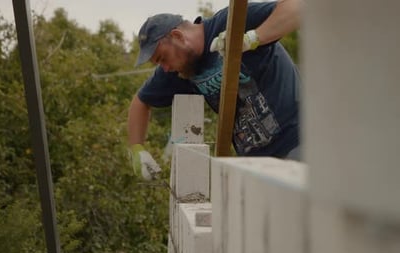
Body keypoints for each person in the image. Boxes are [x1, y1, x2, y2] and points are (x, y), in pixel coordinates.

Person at [128, 0, 302, 180]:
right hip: (256, 165)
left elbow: (298, 7)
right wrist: (137, 149)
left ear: (178, 36)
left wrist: (251, 39)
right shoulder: (180, 69)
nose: (164, 68)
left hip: (301, 141)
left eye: (162, 58)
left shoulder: (231, 22)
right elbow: (140, 102)